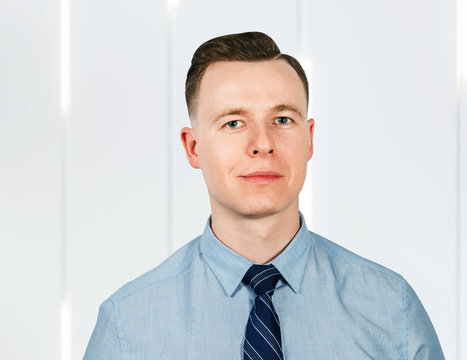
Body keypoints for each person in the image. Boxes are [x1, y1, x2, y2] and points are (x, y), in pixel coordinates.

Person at [84, 31, 445, 359]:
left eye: (283, 119)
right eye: (234, 123)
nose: (262, 144)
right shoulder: (127, 326)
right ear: (193, 148)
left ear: (310, 138)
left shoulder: (391, 308)